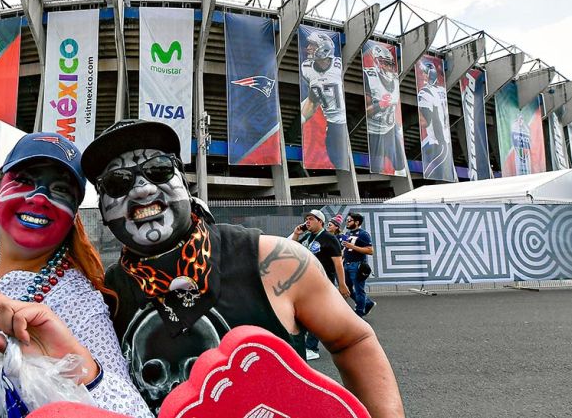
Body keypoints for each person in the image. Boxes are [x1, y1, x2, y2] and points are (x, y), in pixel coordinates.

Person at [79, 120, 404, 417]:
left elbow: (352, 340)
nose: (142, 189)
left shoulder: (273, 260)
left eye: (159, 170)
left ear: (184, 180)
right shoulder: (103, 297)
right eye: (118, 182)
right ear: (102, 207)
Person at [0, 133, 152, 418]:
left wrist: (83, 370)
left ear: (73, 214)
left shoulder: (78, 301)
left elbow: (133, 412)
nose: (39, 197)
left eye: (60, 190)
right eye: (24, 180)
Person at [290, 209, 349, 361]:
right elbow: (291, 248)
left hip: (322, 282)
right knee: (302, 314)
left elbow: (338, 263)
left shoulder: (329, 238)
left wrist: (342, 284)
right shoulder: (308, 237)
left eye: (311, 219)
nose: (307, 222)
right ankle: (303, 345)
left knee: (315, 315)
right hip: (306, 282)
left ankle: (312, 347)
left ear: (320, 221)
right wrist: (297, 234)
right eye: (306, 219)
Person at [299, 31, 349, 169]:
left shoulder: (338, 65)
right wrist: (302, 120)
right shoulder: (307, 68)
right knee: (334, 159)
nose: (308, 47)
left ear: (324, 47)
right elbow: (313, 100)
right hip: (331, 123)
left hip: (344, 121)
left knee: (339, 160)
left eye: (313, 45)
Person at [362, 43, 406, 176]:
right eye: (384, 63)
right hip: (375, 131)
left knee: (401, 165)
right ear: (376, 62)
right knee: (377, 170)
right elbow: (367, 110)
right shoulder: (370, 77)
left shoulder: (394, 80)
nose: (387, 67)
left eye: (389, 64)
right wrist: (379, 105)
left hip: (391, 129)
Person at [417, 60, 454, 180]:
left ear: (430, 75)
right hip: (446, 142)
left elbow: (425, 122)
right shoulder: (442, 91)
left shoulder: (425, 92)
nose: (422, 75)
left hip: (437, 143)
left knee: (431, 176)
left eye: (424, 73)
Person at [342, 212, 376, 317]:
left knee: (359, 290)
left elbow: (370, 251)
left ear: (356, 222)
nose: (347, 222)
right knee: (346, 288)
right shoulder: (347, 233)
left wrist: (353, 247)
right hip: (346, 264)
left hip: (357, 265)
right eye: (347, 220)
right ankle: (367, 303)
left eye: (349, 220)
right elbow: (346, 248)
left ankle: (359, 313)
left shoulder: (363, 234)